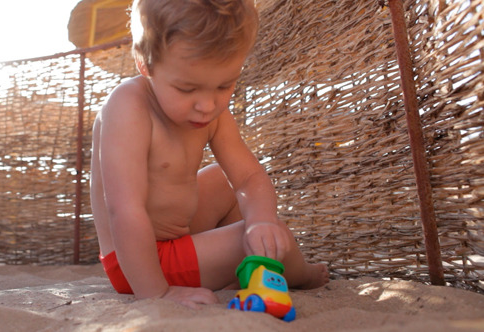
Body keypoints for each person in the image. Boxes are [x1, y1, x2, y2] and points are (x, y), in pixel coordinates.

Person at [90, 0, 329, 308]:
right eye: (187, 89)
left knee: (226, 182)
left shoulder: (212, 111)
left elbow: (248, 177)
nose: (207, 105)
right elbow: (125, 210)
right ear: (145, 65)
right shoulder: (128, 107)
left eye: (224, 85)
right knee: (272, 239)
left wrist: (261, 220)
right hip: (137, 262)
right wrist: (158, 293)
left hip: (179, 233)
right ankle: (301, 275)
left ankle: (228, 269)